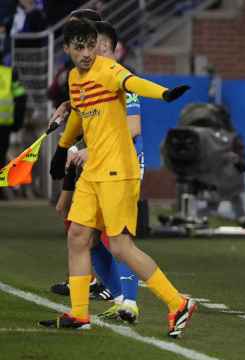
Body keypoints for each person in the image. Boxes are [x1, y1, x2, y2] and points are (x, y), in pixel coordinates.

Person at [39, 18, 196, 338]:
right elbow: (80, 115)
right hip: (93, 171)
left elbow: (133, 83)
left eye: (90, 45)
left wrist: (164, 94)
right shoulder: (73, 77)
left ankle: (177, 302)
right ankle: (80, 314)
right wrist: (63, 148)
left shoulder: (109, 70)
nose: (87, 52)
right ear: (67, 48)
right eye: (79, 47)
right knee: (77, 236)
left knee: (121, 246)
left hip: (117, 171)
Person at [51, 19, 146, 324]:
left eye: (100, 45)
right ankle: (117, 297)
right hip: (101, 163)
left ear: (114, 49)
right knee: (85, 236)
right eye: (90, 45)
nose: (94, 51)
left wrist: (89, 149)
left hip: (123, 162)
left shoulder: (122, 79)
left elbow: (132, 128)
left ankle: (131, 301)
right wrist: (69, 105)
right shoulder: (88, 79)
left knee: (116, 238)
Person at [0, 63, 26, 200]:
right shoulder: (9, 73)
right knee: (1, 156)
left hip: (4, 125)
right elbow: (21, 96)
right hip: (4, 125)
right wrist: (18, 121)